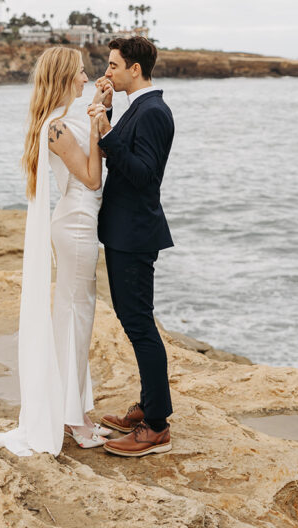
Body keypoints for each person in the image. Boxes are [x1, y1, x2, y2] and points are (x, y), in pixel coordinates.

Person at [0, 45, 112, 456]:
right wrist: (97, 127)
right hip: (77, 223)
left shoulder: (62, 123)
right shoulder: (58, 130)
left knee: (73, 318)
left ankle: (74, 410)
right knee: (75, 319)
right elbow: (93, 179)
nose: (85, 78)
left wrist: (98, 108)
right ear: (63, 77)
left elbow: (87, 148)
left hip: (79, 222)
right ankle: (75, 420)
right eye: (79, 72)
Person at [88, 36, 175, 457]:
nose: (107, 72)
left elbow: (143, 175)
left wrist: (106, 131)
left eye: (112, 65)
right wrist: (104, 111)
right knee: (135, 322)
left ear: (134, 69)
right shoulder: (137, 107)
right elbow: (124, 154)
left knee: (140, 326)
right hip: (124, 231)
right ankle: (147, 408)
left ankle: (157, 425)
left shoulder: (154, 111)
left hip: (135, 234)